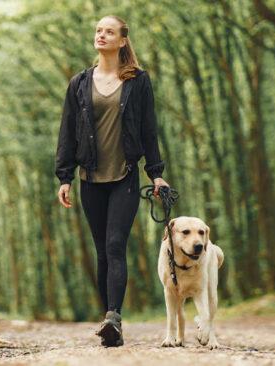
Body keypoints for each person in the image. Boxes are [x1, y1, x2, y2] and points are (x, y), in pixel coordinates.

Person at [54, 15, 169, 347]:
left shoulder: (138, 81)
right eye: (98, 30)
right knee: (102, 252)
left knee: (116, 245)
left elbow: (149, 129)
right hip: (90, 177)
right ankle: (110, 323)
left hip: (126, 176)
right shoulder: (79, 82)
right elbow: (67, 131)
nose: (101, 35)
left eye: (108, 31)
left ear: (122, 40)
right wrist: (65, 176)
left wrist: (157, 173)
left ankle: (114, 318)